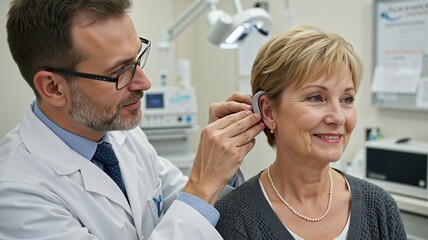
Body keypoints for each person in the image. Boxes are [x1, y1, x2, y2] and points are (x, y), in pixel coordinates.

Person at [0, 0, 265, 239]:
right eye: (120, 71)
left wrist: (216, 165)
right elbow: (194, 200)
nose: (144, 82)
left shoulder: (118, 134)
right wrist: (204, 181)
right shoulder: (18, 194)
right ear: (53, 88)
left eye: (138, 58)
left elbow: (181, 202)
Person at [215, 24, 406, 239]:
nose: (338, 117)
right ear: (269, 112)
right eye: (316, 97)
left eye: (347, 99)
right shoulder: (235, 219)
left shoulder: (379, 208)